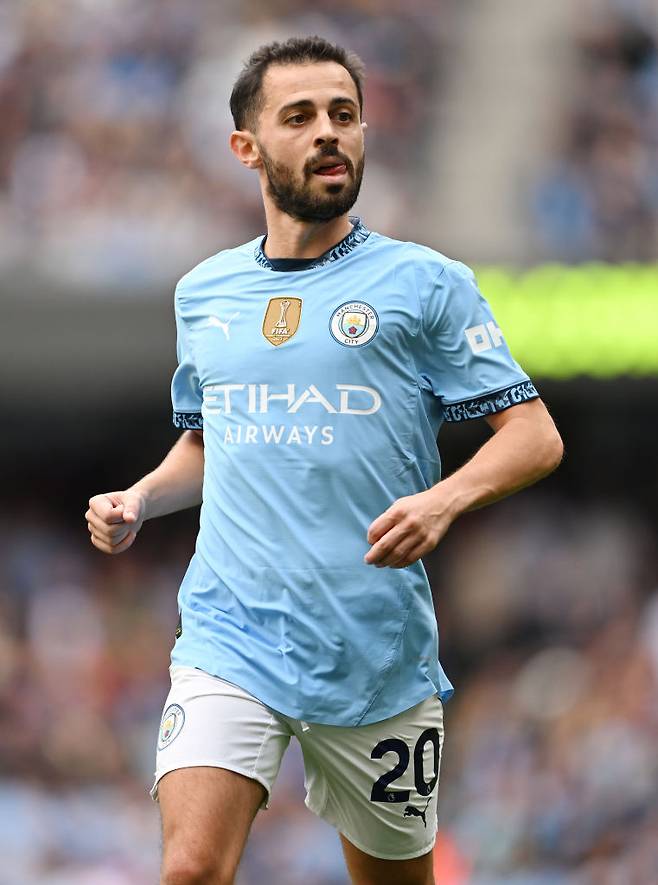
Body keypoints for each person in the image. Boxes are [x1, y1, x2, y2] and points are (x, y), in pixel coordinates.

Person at [86, 36, 563, 885]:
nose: (328, 133)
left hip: (374, 657)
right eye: (300, 116)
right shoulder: (204, 293)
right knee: (191, 868)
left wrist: (443, 500)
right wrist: (142, 497)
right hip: (231, 636)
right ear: (247, 147)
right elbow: (210, 439)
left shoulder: (427, 284)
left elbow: (535, 435)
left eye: (344, 114)